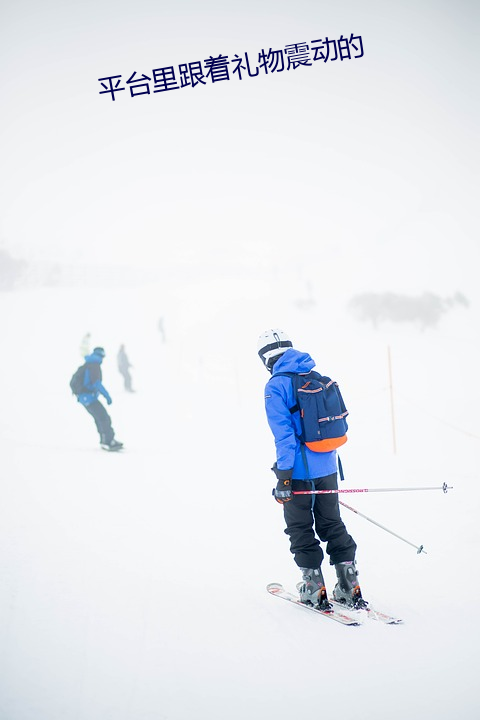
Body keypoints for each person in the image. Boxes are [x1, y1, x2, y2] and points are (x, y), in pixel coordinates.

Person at [258, 328, 366, 610]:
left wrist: (284, 478)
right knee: (331, 523)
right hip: (328, 466)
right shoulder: (315, 377)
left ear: (266, 358)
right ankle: (349, 585)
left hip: (298, 472)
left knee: (300, 527)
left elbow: (284, 437)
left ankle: (313, 588)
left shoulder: (275, 386)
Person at [76, 346, 123, 451]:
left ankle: (104, 440)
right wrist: (107, 396)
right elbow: (96, 383)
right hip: (89, 398)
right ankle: (108, 441)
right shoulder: (94, 365)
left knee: (100, 418)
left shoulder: (89, 363)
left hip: (85, 398)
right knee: (104, 418)